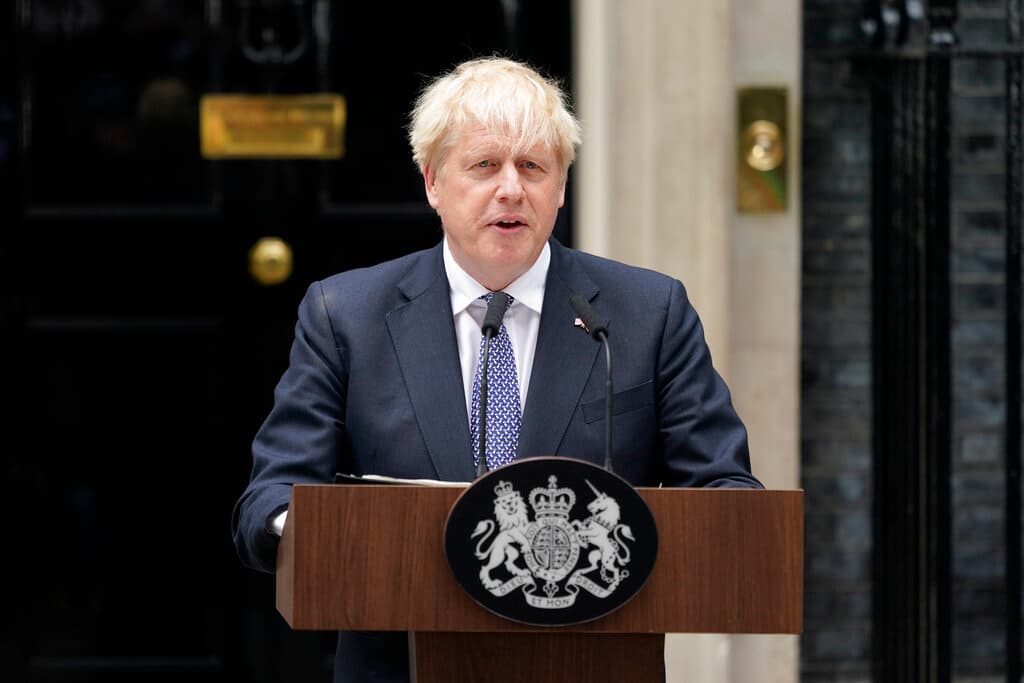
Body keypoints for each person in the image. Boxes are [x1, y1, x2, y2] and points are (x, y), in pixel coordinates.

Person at [232, 56, 762, 683]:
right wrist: (323, 534)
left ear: (561, 188)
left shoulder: (649, 314)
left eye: (533, 167)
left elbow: (728, 497)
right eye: (484, 165)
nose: (511, 188)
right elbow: (270, 496)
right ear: (432, 182)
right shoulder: (344, 316)